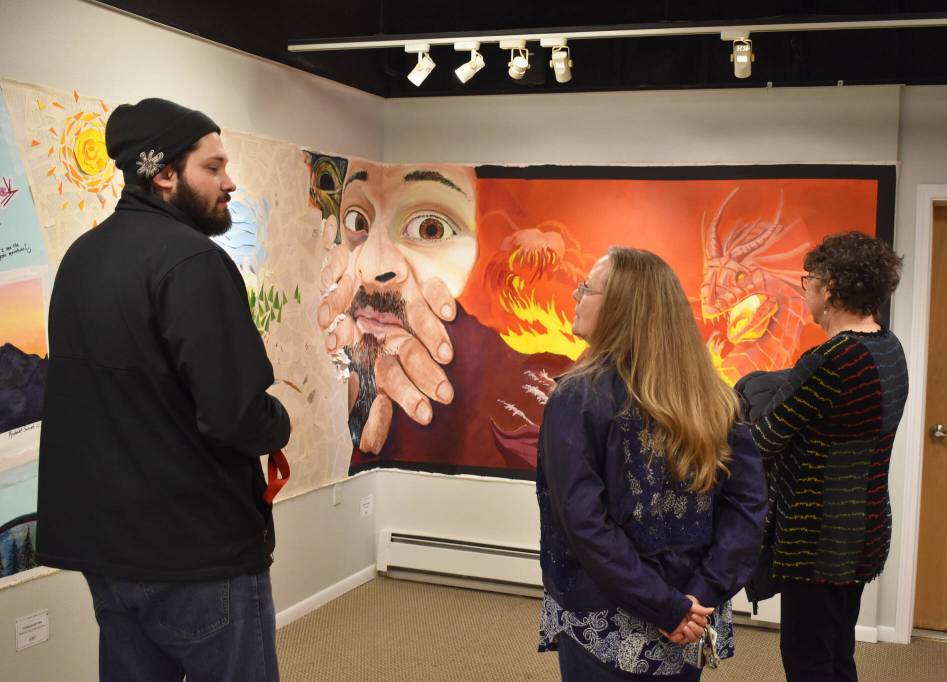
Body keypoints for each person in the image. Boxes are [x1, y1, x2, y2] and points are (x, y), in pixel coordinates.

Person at [36, 98, 291, 682]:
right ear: (164, 173)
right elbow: (237, 416)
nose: (230, 182)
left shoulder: (81, 257)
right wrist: (279, 421)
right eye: (213, 167)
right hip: (197, 554)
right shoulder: (194, 262)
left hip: (108, 553)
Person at [536, 247, 768, 680]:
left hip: (610, 620)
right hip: (690, 613)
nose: (575, 295)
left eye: (586, 288)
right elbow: (748, 509)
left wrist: (670, 606)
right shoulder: (716, 398)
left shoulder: (578, 398)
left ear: (621, 306)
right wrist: (698, 596)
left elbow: (584, 524)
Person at [313, 158, 566, 474]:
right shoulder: (343, 361)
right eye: (358, 222)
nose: (372, 267)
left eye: (429, 229)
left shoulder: (539, 394)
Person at [749, 231, 907, 682]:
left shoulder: (831, 360)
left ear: (830, 289)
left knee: (808, 662)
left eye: (809, 280)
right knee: (837, 653)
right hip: (864, 530)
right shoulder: (888, 347)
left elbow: (764, 439)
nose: (805, 290)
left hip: (817, 542)